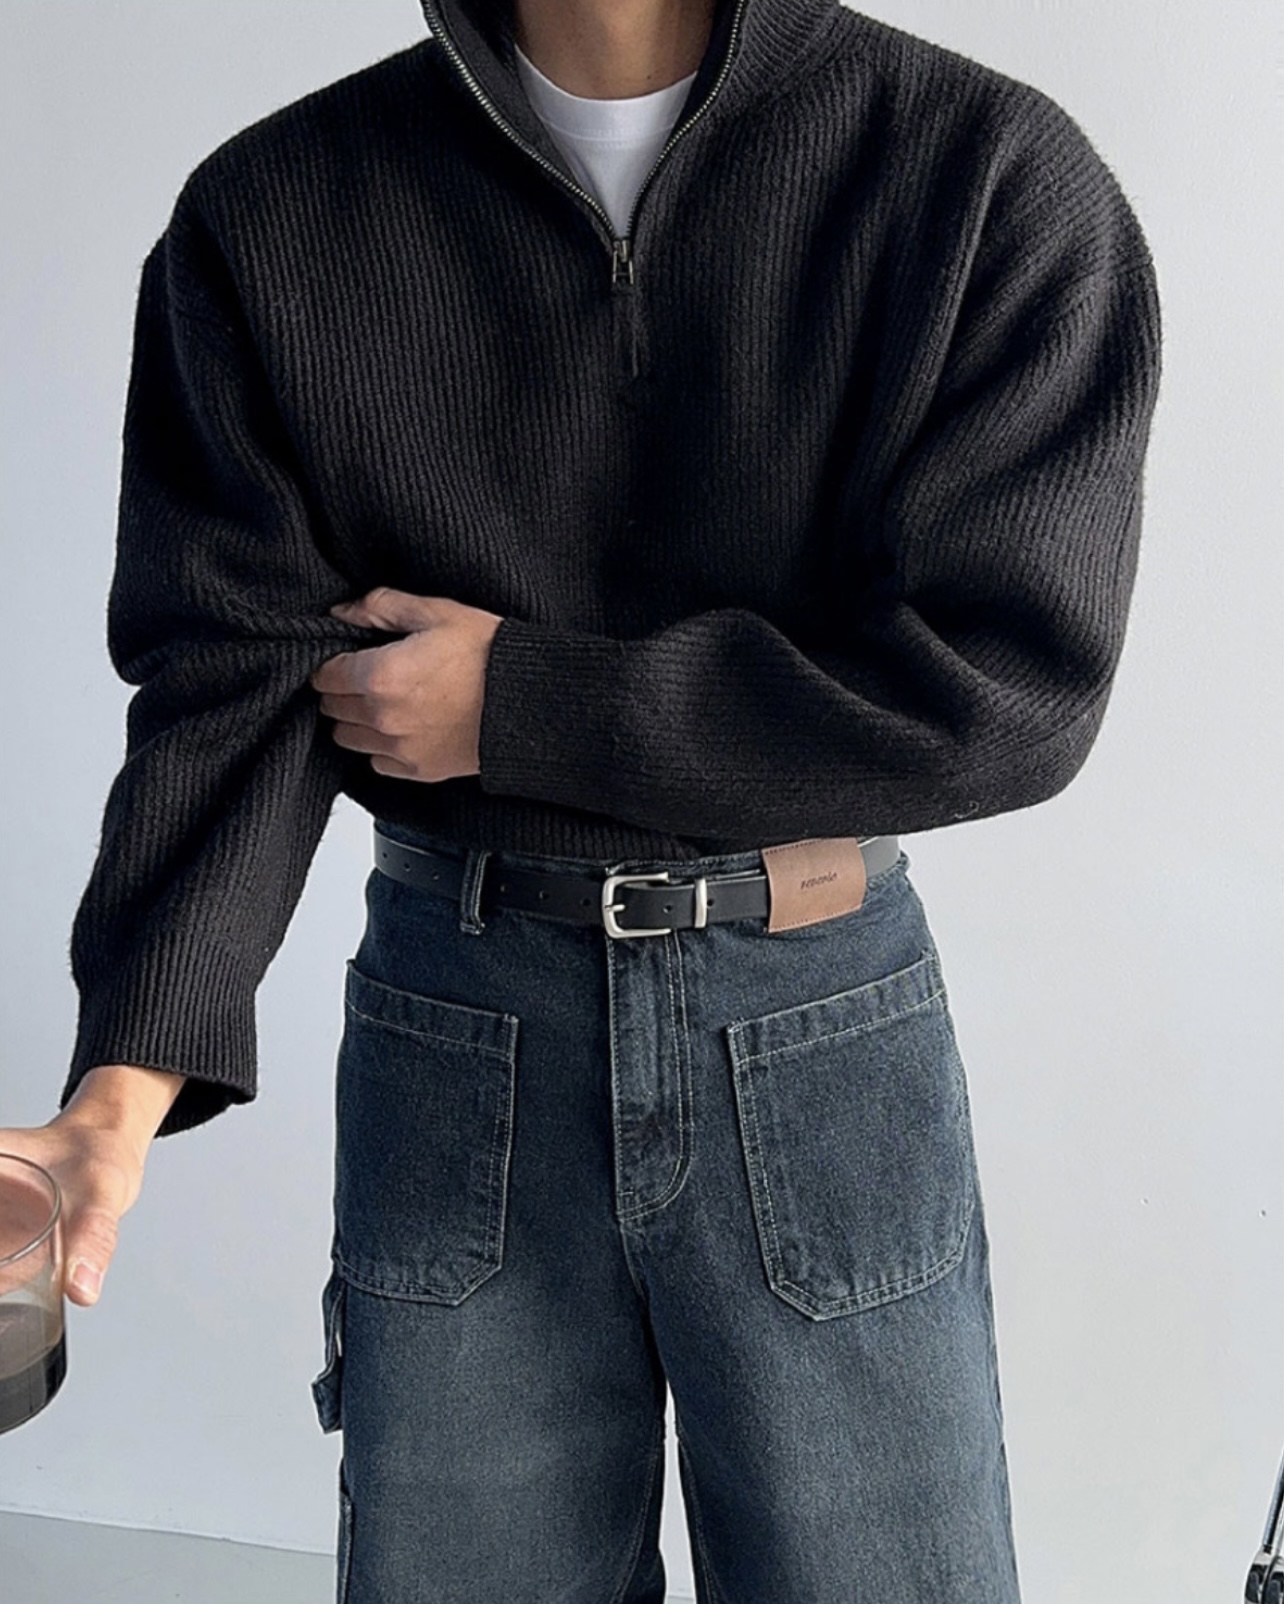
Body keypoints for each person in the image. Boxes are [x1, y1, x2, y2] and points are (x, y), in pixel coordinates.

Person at [0, 0, 1162, 1597]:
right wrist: (116, 1096)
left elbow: (1008, 691)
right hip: (461, 1019)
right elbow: (233, 685)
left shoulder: (983, 175)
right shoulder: (276, 211)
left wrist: (527, 707)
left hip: (816, 1014)